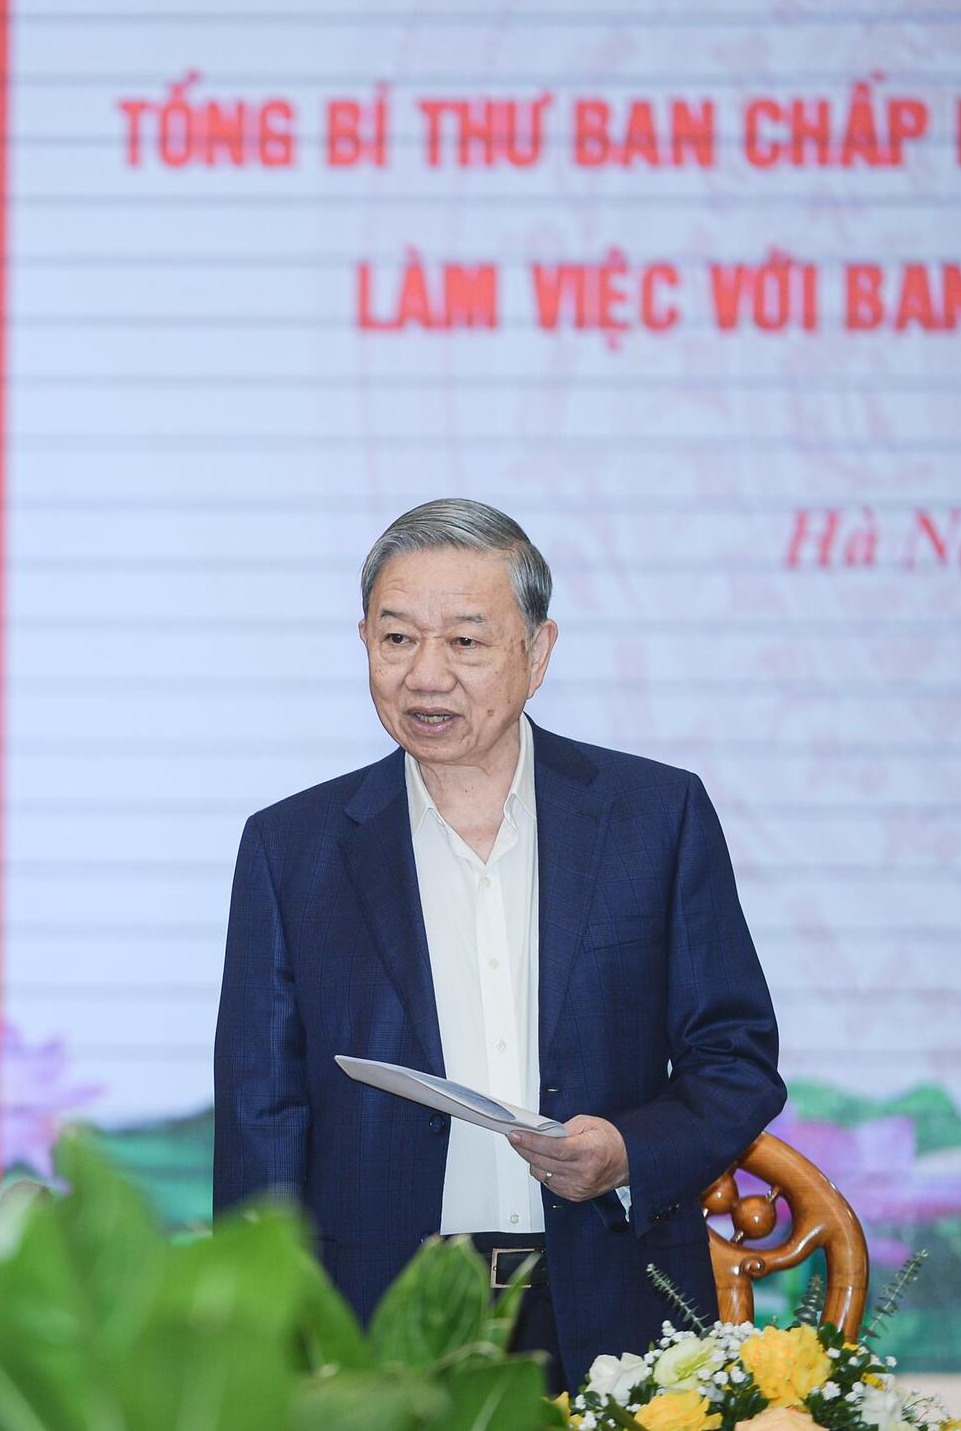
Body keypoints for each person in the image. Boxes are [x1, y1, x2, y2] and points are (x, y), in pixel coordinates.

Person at [212, 498, 784, 1390]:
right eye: (396, 639)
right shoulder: (292, 849)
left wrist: (627, 1150)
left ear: (538, 652)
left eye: (466, 641)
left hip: (612, 1302)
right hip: (376, 1320)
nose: (425, 674)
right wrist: (260, 1344)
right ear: (363, 641)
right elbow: (262, 1119)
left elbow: (736, 1057)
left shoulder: (654, 818)